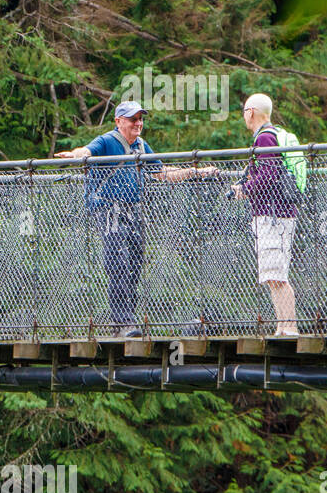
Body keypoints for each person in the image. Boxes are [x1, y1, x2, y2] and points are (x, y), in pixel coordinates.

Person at [55, 100, 214, 336]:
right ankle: (123, 323)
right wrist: (75, 156)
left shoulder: (141, 145)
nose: (138, 123)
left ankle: (127, 320)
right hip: (109, 210)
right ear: (119, 121)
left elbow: (161, 174)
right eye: (132, 119)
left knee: (135, 264)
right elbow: (86, 152)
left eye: (140, 119)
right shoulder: (107, 140)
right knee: (117, 263)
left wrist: (195, 172)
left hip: (134, 209)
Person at [233, 92, 299, 336]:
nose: (244, 117)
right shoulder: (271, 136)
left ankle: (289, 327)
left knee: (277, 275)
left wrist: (245, 189)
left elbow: (269, 176)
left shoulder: (264, 139)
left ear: (251, 112)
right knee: (274, 275)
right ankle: (283, 326)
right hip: (277, 214)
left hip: (273, 216)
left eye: (244, 113)